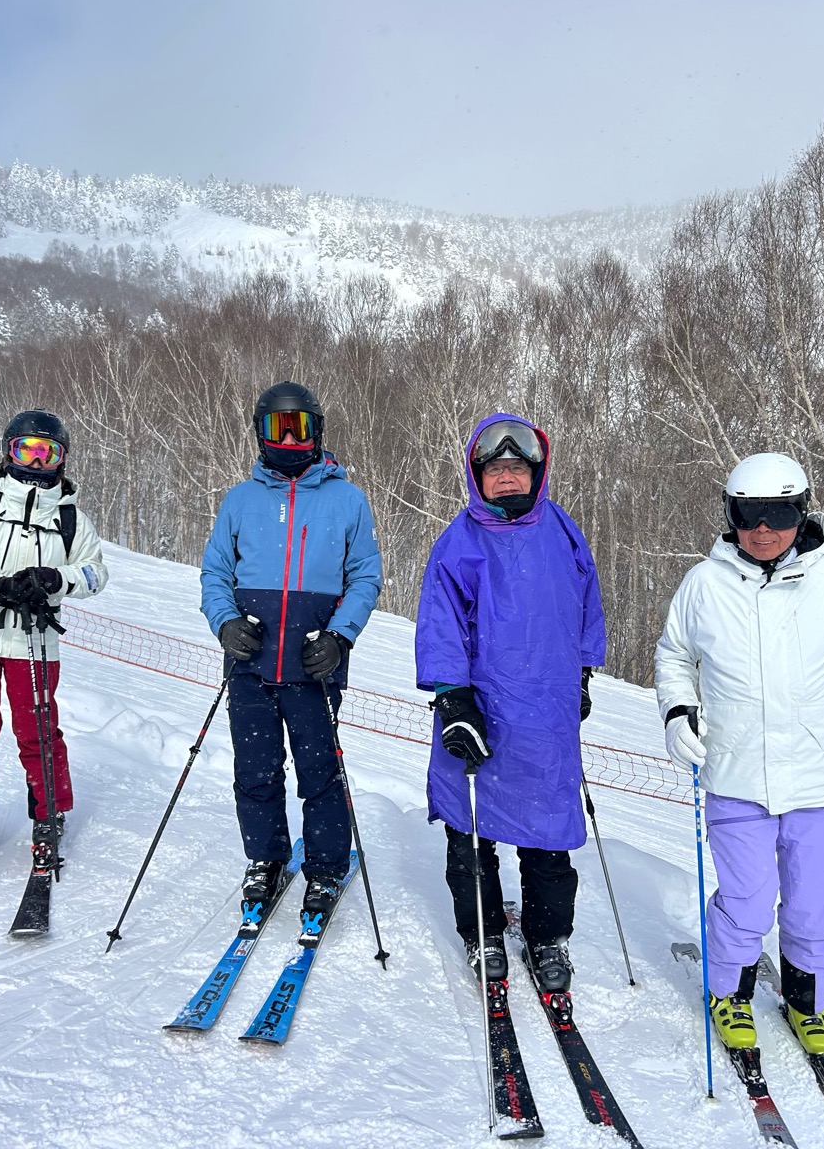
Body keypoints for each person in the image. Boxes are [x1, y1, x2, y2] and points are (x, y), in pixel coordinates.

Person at [654, 451, 824, 1056]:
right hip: (736, 773)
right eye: (748, 514)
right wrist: (677, 712)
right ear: (730, 514)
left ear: (802, 512)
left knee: (817, 902)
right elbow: (675, 657)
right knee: (746, 897)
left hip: (821, 779)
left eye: (778, 513)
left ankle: (807, 1002)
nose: (762, 529)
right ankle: (730, 994)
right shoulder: (704, 584)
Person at [415, 413, 606, 993]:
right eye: (494, 470)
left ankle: (548, 937)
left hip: (545, 710)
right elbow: (441, 622)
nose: (506, 479)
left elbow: (586, 604)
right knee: (471, 829)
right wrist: (452, 699)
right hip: (480, 709)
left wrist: (582, 673)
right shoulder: (458, 542)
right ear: (478, 477)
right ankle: (484, 931)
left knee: (547, 832)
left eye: (516, 468)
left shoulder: (563, 531)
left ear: (536, 472)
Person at [199, 381, 383, 919]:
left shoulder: (347, 499)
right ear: (259, 433)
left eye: (297, 427)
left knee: (320, 771)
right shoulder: (241, 499)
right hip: (251, 664)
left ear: (316, 431)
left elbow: (365, 576)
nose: (288, 439)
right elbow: (215, 572)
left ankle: (325, 869)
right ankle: (266, 859)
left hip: (313, 665)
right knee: (256, 770)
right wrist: (226, 622)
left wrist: (339, 635)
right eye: (276, 428)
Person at [0, 410, 108, 881]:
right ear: (8, 451)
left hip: (35, 639)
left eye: (46, 452)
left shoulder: (71, 519)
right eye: (25, 449)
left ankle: (49, 814)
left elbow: (95, 573)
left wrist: (57, 578)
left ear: (62, 460)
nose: (35, 460)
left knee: (38, 732)